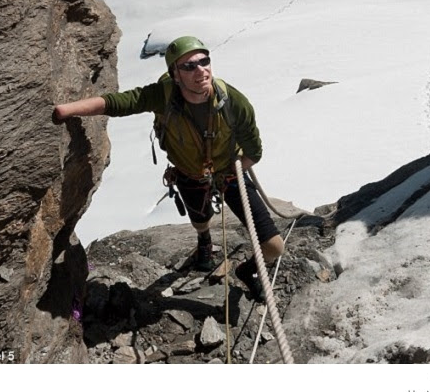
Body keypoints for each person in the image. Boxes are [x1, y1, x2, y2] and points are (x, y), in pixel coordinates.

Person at [53, 36, 284, 302]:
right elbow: (119, 103)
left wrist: (231, 173)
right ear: (175, 74)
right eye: (189, 66)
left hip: (228, 174)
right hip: (189, 174)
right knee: (200, 221)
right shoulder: (163, 97)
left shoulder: (234, 102)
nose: (200, 70)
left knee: (274, 246)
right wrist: (66, 111)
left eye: (204, 61)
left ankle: (246, 270)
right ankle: (204, 241)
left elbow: (253, 150)